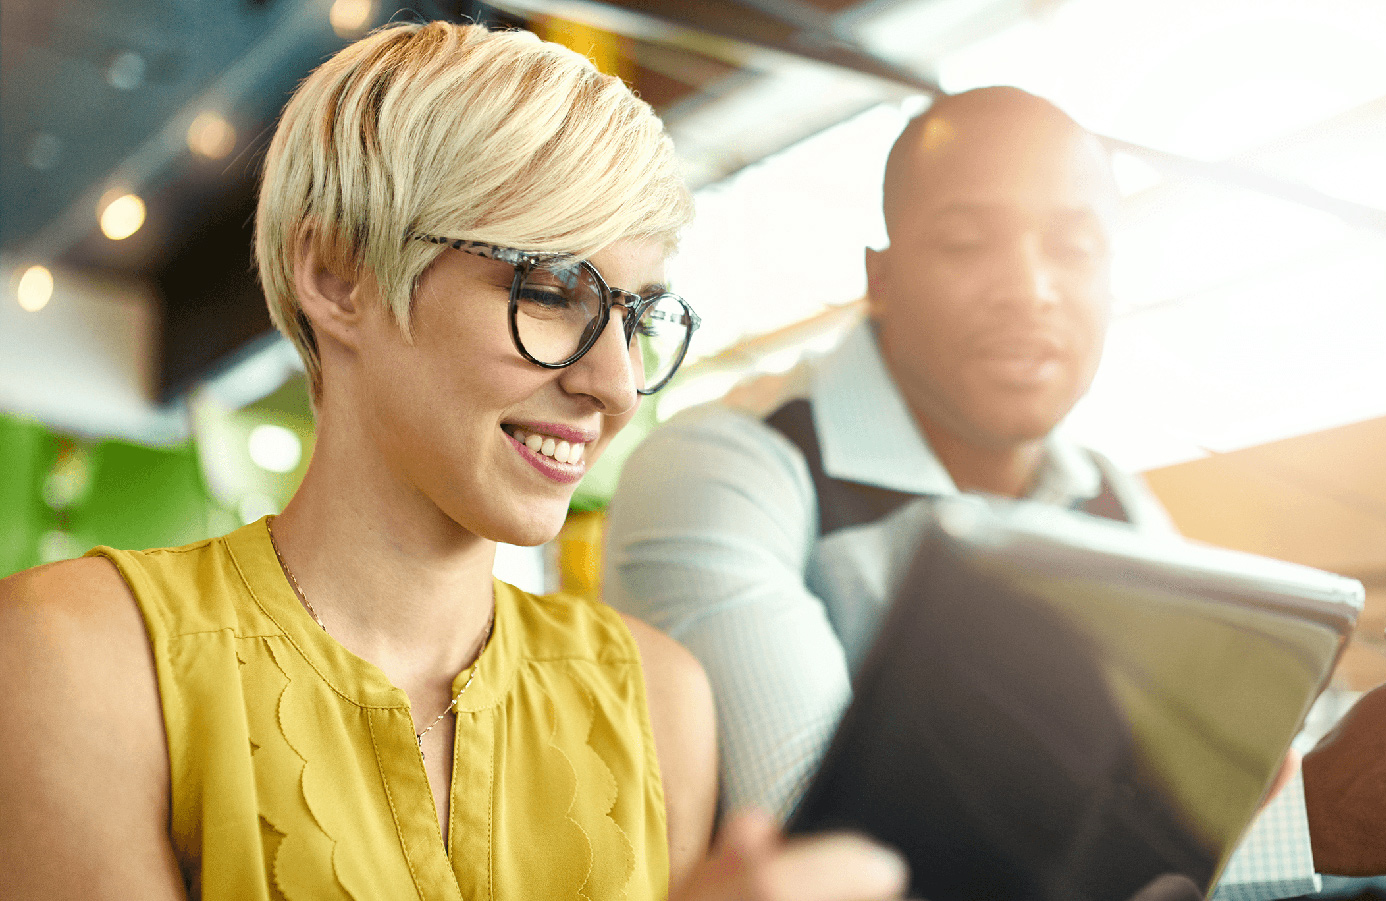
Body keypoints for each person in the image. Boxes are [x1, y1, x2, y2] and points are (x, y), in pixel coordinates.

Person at [604, 85, 1386, 898]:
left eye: (1072, 247)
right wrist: (1311, 824)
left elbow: (1272, 765)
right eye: (965, 242)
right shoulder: (724, 469)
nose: (1029, 287)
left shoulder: (1111, 501)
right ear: (882, 275)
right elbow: (842, 864)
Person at [0, 22, 910, 901]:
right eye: (551, 292)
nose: (616, 385)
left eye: (635, 318)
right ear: (335, 275)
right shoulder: (76, 654)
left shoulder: (657, 696)